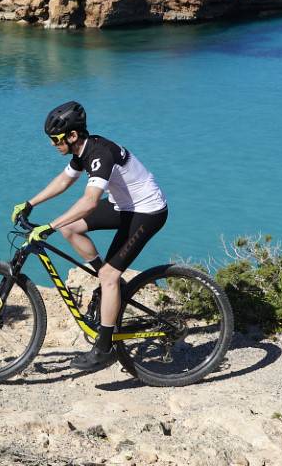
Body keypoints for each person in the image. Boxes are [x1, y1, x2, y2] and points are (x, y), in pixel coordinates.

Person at [10, 101, 168, 370]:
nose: (52, 144)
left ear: (72, 136)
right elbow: (64, 180)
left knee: (108, 275)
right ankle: (107, 282)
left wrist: (48, 225)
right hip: (124, 206)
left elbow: (90, 201)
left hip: (147, 211)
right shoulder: (82, 150)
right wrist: (30, 203)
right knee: (69, 228)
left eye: (56, 139)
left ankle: (104, 348)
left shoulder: (99, 153)